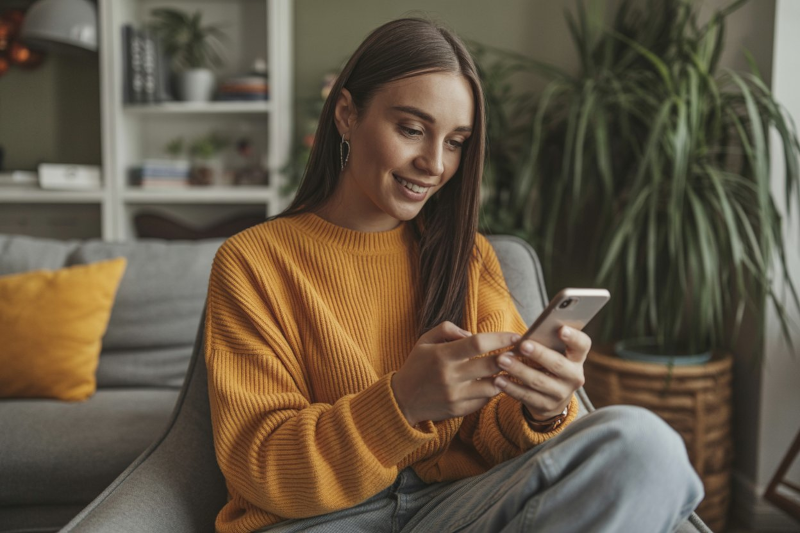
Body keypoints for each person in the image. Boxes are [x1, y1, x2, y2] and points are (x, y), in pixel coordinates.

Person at [204, 17, 704, 533]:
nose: (434, 164)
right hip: (323, 519)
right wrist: (401, 403)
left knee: (645, 445)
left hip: (454, 509)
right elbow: (260, 464)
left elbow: (494, 432)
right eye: (412, 129)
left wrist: (541, 408)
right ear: (347, 114)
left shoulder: (469, 257)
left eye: (456, 141)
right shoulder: (252, 261)